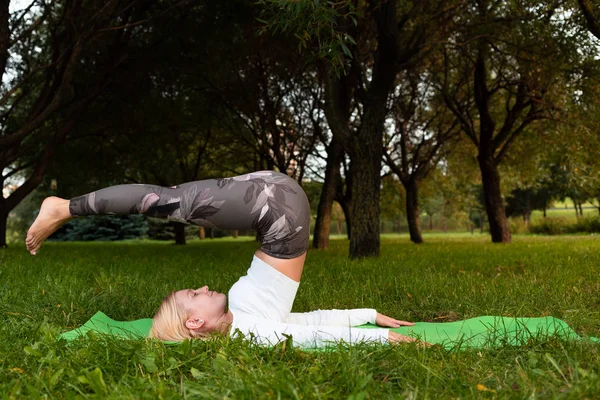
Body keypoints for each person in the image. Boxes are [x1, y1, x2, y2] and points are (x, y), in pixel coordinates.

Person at [26, 171, 419, 348]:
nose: (200, 286)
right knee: (163, 199)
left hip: (276, 204)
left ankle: (65, 207)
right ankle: (62, 206)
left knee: (165, 199)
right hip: (276, 204)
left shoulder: (241, 323)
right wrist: (374, 326)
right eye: (193, 294)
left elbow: (306, 330)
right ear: (196, 321)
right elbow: (311, 331)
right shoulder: (252, 334)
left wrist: (371, 323)